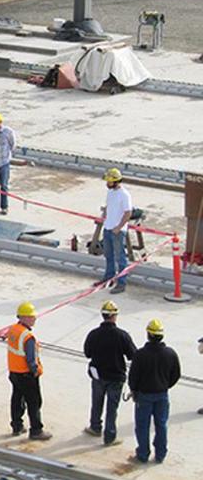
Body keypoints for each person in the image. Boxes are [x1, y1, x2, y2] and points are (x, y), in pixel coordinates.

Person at [83, 300, 136, 446]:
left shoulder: (93, 334)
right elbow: (132, 355)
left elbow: (87, 353)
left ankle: (95, 427)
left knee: (96, 402)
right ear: (114, 316)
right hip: (116, 377)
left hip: (98, 375)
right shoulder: (122, 335)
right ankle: (109, 437)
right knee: (112, 408)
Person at [128, 319, 181, 464]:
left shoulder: (140, 355)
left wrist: (134, 390)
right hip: (162, 395)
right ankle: (160, 454)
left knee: (142, 426)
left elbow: (133, 376)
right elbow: (176, 374)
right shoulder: (170, 354)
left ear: (148, 335)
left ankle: (143, 454)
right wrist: (165, 385)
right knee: (161, 425)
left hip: (144, 396)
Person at [7, 301, 52, 440]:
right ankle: (36, 431)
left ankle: (17, 426)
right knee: (34, 402)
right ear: (24, 317)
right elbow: (31, 359)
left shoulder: (13, 330)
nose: (34, 319)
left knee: (17, 399)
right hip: (26, 375)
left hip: (14, 372)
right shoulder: (28, 337)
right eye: (32, 317)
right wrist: (36, 370)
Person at [100, 168, 132, 295]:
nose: (107, 183)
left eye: (109, 181)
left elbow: (128, 212)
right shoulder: (111, 192)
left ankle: (121, 282)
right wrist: (105, 213)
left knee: (120, 257)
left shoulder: (124, 195)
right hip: (108, 228)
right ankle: (109, 277)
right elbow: (109, 206)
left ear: (116, 181)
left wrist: (119, 227)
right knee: (108, 255)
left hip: (117, 231)